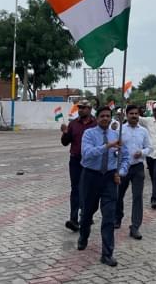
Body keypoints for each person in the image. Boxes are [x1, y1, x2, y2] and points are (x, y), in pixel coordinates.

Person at [77, 106, 129, 267]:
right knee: (87, 212)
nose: (105, 118)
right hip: (91, 177)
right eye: (102, 116)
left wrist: (120, 172)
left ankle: (107, 253)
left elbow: (126, 157)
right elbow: (87, 154)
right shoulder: (89, 134)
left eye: (108, 116)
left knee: (109, 217)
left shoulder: (117, 136)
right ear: (97, 118)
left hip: (109, 178)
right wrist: (107, 146)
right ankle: (83, 236)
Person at [115, 105, 151, 240]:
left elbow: (150, 147)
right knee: (119, 194)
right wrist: (117, 152)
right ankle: (117, 218)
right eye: (131, 113)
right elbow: (115, 147)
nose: (134, 116)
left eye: (136, 113)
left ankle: (135, 226)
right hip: (123, 167)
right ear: (126, 115)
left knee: (137, 197)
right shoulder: (120, 130)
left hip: (138, 168)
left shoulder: (143, 131)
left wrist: (141, 152)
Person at [60, 99, 96, 232]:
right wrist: (64, 133)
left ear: (90, 109)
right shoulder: (73, 124)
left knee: (87, 190)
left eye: (84, 107)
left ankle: (86, 215)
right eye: (79, 107)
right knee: (75, 189)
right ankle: (73, 219)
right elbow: (65, 142)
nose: (80, 109)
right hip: (75, 161)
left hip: (91, 162)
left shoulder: (96, 124)